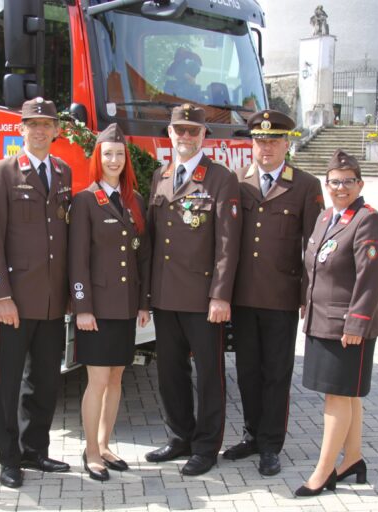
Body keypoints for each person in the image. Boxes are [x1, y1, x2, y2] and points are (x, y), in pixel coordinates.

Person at [224, 110, 323, 476]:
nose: (266, 147)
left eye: (273, 140)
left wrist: (307, 297)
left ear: (287, 144)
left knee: (276, 373)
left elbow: (314, 247)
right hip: (244, 295)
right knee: (247, 370)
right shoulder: (237, 180)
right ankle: (251, 434)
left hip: (282, 297)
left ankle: (271, 444)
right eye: (260, 140)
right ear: (252, 143)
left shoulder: (306, 185)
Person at [0, 97, 72, 489]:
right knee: (10, 381)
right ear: (21, 130)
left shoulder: (64, 172)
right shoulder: (2, 172)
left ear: (55, 131)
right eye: (31, 124)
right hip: (15, 302)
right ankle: (9, 458)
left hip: (52, 301)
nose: (38, 130)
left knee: (47, 380)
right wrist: (1, 296)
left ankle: (36, 449)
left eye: (45, 124)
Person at [145, 103, 241, 476]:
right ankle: (179, 437)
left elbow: (227, 245)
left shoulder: (220, 178)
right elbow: (154, 239)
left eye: (192, 131)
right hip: (166, 296)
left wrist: (221, 295)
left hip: (203, 299)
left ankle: (205, 446)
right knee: (170, 372)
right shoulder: (160, 175)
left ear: (204, 136)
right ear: (169, 134)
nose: (185, 136)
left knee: (209, 375)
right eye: (179, 130)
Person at [295, 149, 378, 497]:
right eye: (335, 182)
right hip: (322, 320)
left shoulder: (368, 220)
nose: (340, 187)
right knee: (346, 395)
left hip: (347, 326)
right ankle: (352, 459)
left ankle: (324, 471)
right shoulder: (325, 218)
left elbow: (371, 279)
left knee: (336, 396)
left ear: (360, 183)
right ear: (327, 183)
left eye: (348, 182)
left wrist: (357, 323)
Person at [68, 123, 151, 481]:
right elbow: (77, 259)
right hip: (97, 309)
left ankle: (104, 444)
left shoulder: (135, 201)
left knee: (117, 377)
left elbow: (141, 256)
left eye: (119, 154)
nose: (114, 160)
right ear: (97, 159)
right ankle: (89, 450)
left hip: (126, 306)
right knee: (98, 380)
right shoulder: (85, 200)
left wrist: (144, 302)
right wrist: (82, 307)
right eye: (107, 154)